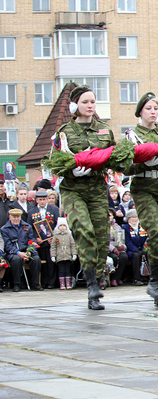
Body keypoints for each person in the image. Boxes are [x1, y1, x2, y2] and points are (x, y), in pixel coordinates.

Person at [52, 84, 115, 309]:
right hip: (74, 189)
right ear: (75, 105)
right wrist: (71, 170)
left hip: (97, 188)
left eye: (92, 102)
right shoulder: (64, 132)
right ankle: (91, 286)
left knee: (101, 237)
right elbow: (55, 163)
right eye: (85, 102)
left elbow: (115, 156)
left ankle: (97, 282)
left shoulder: (104, 130)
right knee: (84, 230)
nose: (90, 106)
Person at [124, 92, 158, 306]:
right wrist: (142, 163)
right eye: (148, 108)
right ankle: (154, 280)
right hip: (144, 186)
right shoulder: (132, 135)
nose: (153, 112)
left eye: (156, 108)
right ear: (140, 112)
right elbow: (124, 166)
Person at [2, 208, 41, 291]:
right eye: (14, 217)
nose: (16, 219)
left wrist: (29, 251)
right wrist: (18, 253)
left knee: (36, 259)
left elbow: (32, 241)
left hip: (27, 251)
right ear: (10, 217)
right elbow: (7, 245)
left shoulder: (27, 227)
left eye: (18, 217)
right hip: (14, 252)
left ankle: (35, 283)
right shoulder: (4, 229)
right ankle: (17, 284)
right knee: (16, 260)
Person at [27, 189, 60, 288]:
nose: (42, 201)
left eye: (44, 199)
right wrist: (36, 237)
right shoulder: (32, 212)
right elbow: (29, 227)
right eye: (40, 199)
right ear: (36, 200)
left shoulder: (54, 209)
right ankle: (43, 282)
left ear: (46, 199)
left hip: (51, 240)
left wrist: (53, 236)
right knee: (42, 261)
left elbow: (58, 224)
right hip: (39, 242)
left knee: (51, 261)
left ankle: (52, 282)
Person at [123, 209, 148, 286]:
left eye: (136, 217)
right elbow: (127, 241)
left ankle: (148, 277)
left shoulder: (142, 227)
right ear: (128, 219)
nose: (134, 219)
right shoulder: (125, 228)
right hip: (131, 250)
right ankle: (137, 278)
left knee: (148, 253)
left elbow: (146, 238)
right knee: (136, 255)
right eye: (132, 217)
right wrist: (135, 249)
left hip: (141, 248)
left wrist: (144, 248)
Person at [51, 217, 76, 290]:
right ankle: (62, 284)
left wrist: (74, 254)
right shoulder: (56, 236)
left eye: (64, 225)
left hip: (68, 256)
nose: (62, 227)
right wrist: (53, 255)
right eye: (61, 226)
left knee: (68, 270)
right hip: (60, 256)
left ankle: (68, 283)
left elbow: (73, 245)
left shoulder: (69, 235)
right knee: (61, 270)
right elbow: (53, 246)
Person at [107, 209, 128, 286]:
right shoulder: (103, 227)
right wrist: (113, 249)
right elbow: (104, 241)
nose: (109, 217)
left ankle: (116, 278)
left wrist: (123, 247)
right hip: (108, 249)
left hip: (118, 248)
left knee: (124, 257)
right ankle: (111, 278)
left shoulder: (117, 226)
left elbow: (122, 239)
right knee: (114, 258)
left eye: (110, 215)